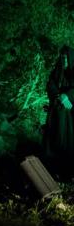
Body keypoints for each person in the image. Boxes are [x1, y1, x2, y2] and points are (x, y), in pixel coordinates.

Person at [43, 46, 74, 178]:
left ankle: (67, 167)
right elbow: (50, 85)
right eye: (62, 57)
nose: (64, 60)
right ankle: (51, 165)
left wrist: (68, 95)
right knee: (53, 135)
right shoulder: (57, 71)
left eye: (66, 57)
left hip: (71, 111)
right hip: (57, 110)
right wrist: (58, 96)